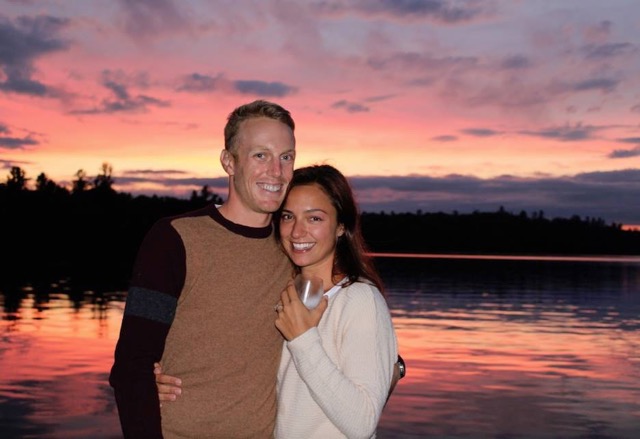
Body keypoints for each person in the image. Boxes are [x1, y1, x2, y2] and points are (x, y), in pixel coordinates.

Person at [158, 165, 400, 438]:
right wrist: (164, 376)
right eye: (288, 216)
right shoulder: (284, 292)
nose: (297, 232)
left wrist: (303, 340)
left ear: (341, 226)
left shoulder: (359, 300)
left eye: (314, 218)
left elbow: (362, 422)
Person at [109, 100, 297, 438]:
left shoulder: (295, 250)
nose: (276, 171)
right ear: (229, 161)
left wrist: (391, 367)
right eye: (261, 155)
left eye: (286, 157)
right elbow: (132, 366)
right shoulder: (174, 239)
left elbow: (347, 317)